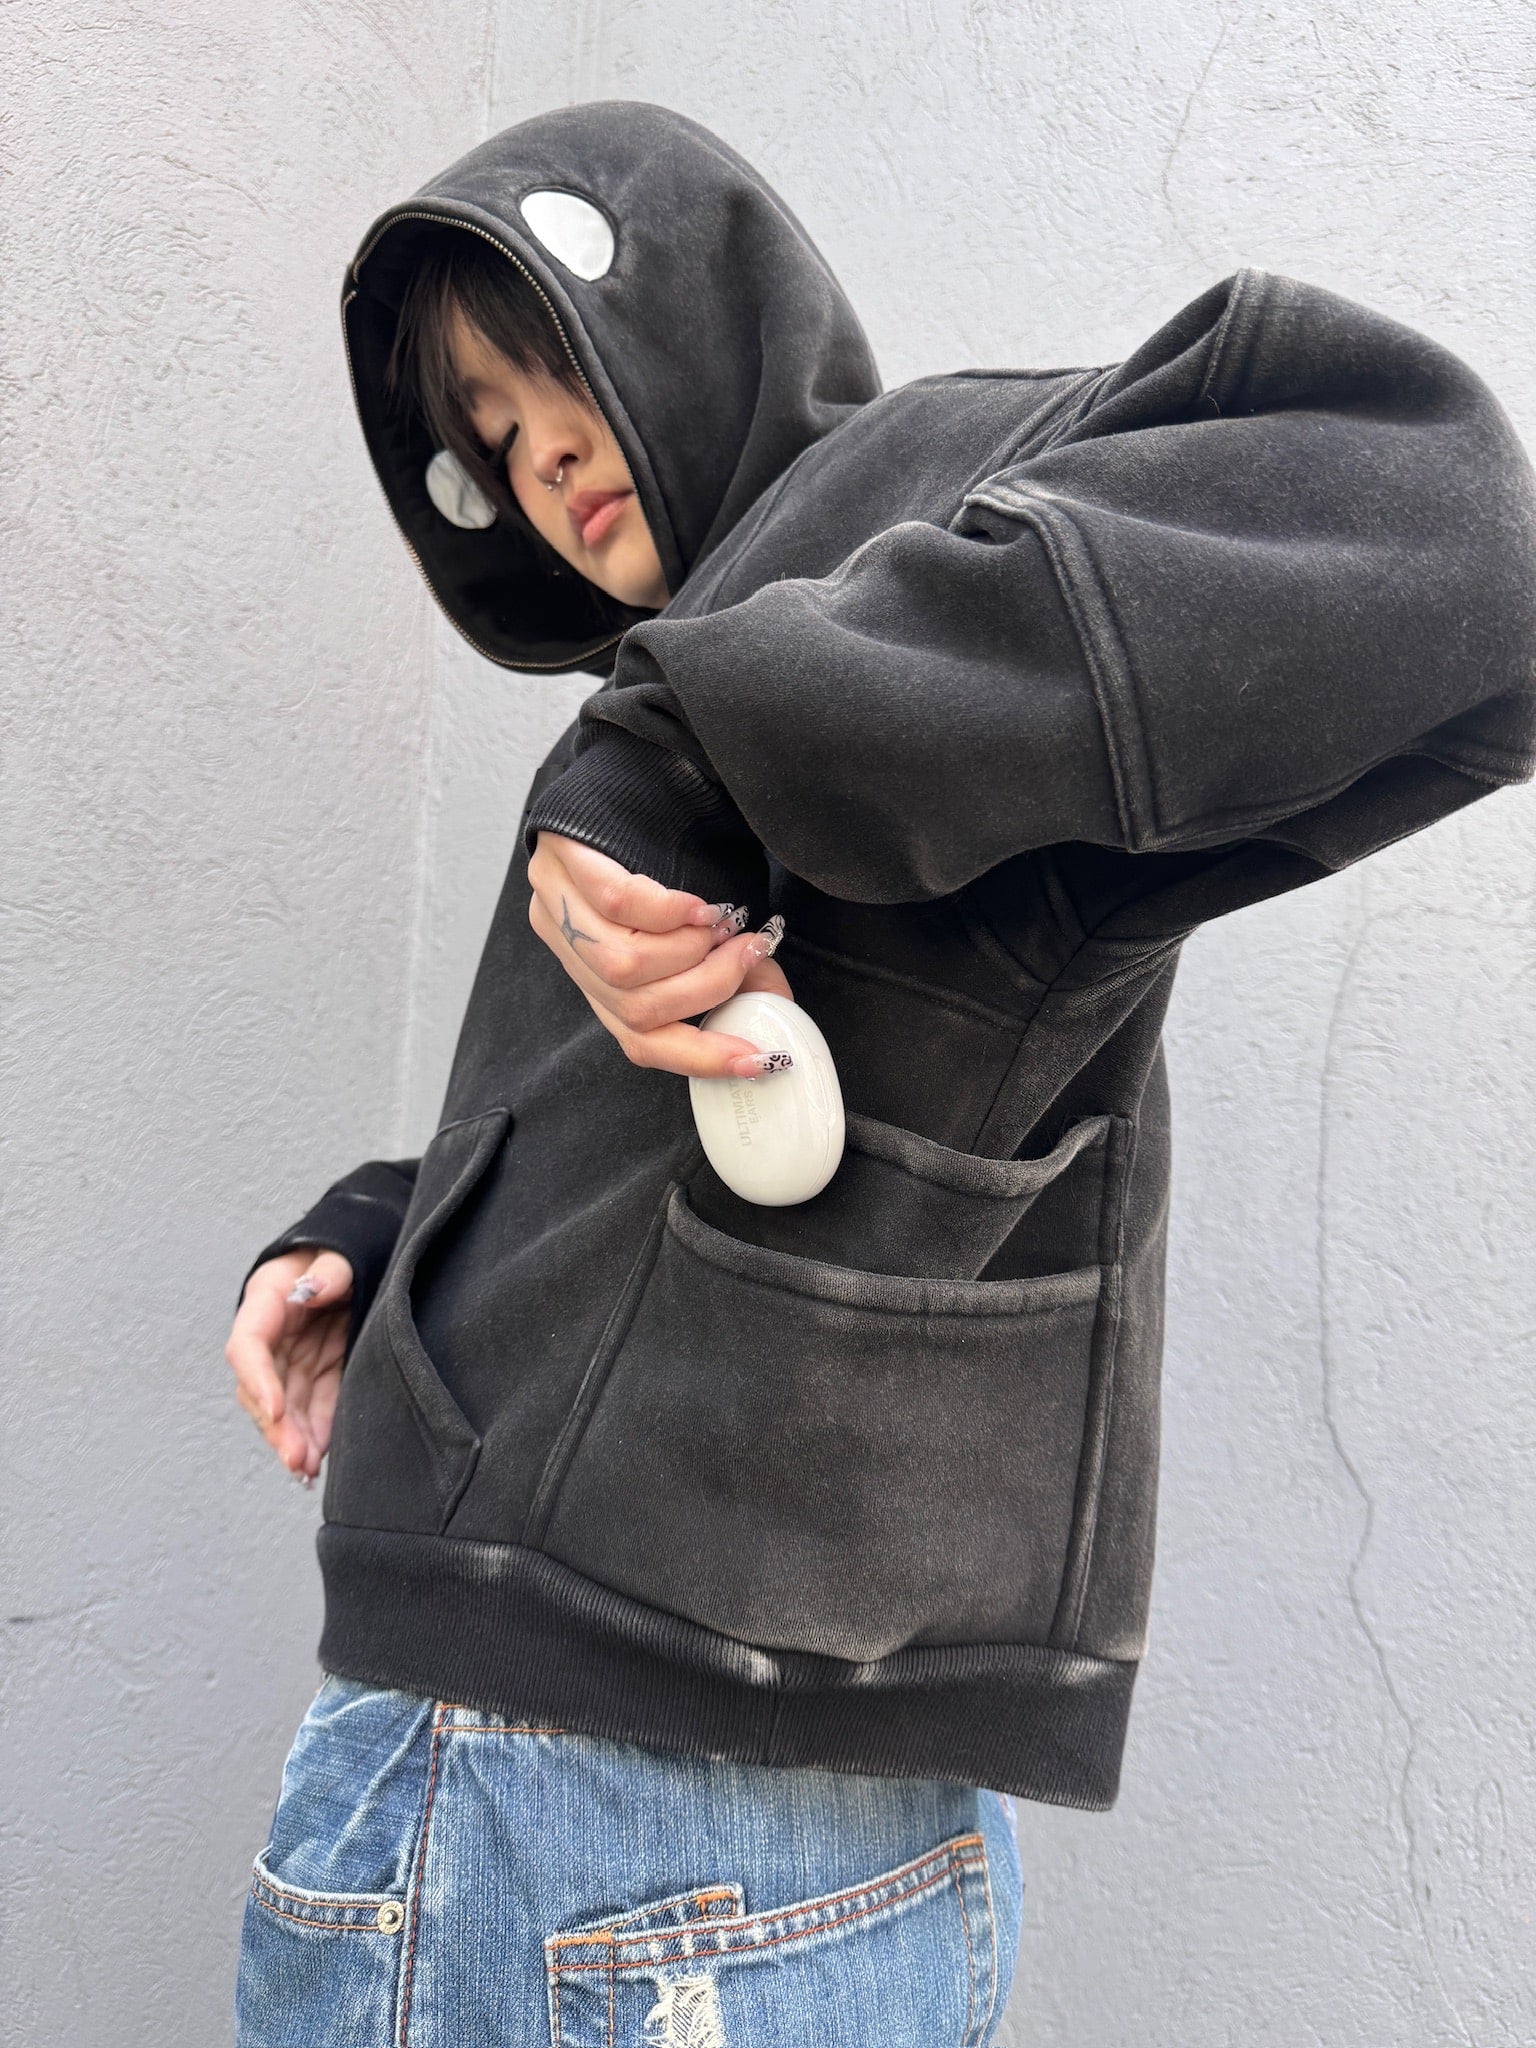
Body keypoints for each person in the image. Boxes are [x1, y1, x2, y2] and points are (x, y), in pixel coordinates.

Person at [225, 100, 1536, 2047]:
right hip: (645, 1792)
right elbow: (692, 1152)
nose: (535, 454)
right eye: (486, 437)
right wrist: (397, 1231)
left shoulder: (899, 517)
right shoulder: (689, 695)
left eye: (546, 367)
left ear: (693, 292)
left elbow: (1455, 528)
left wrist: (693, 745)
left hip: (601, 1807)